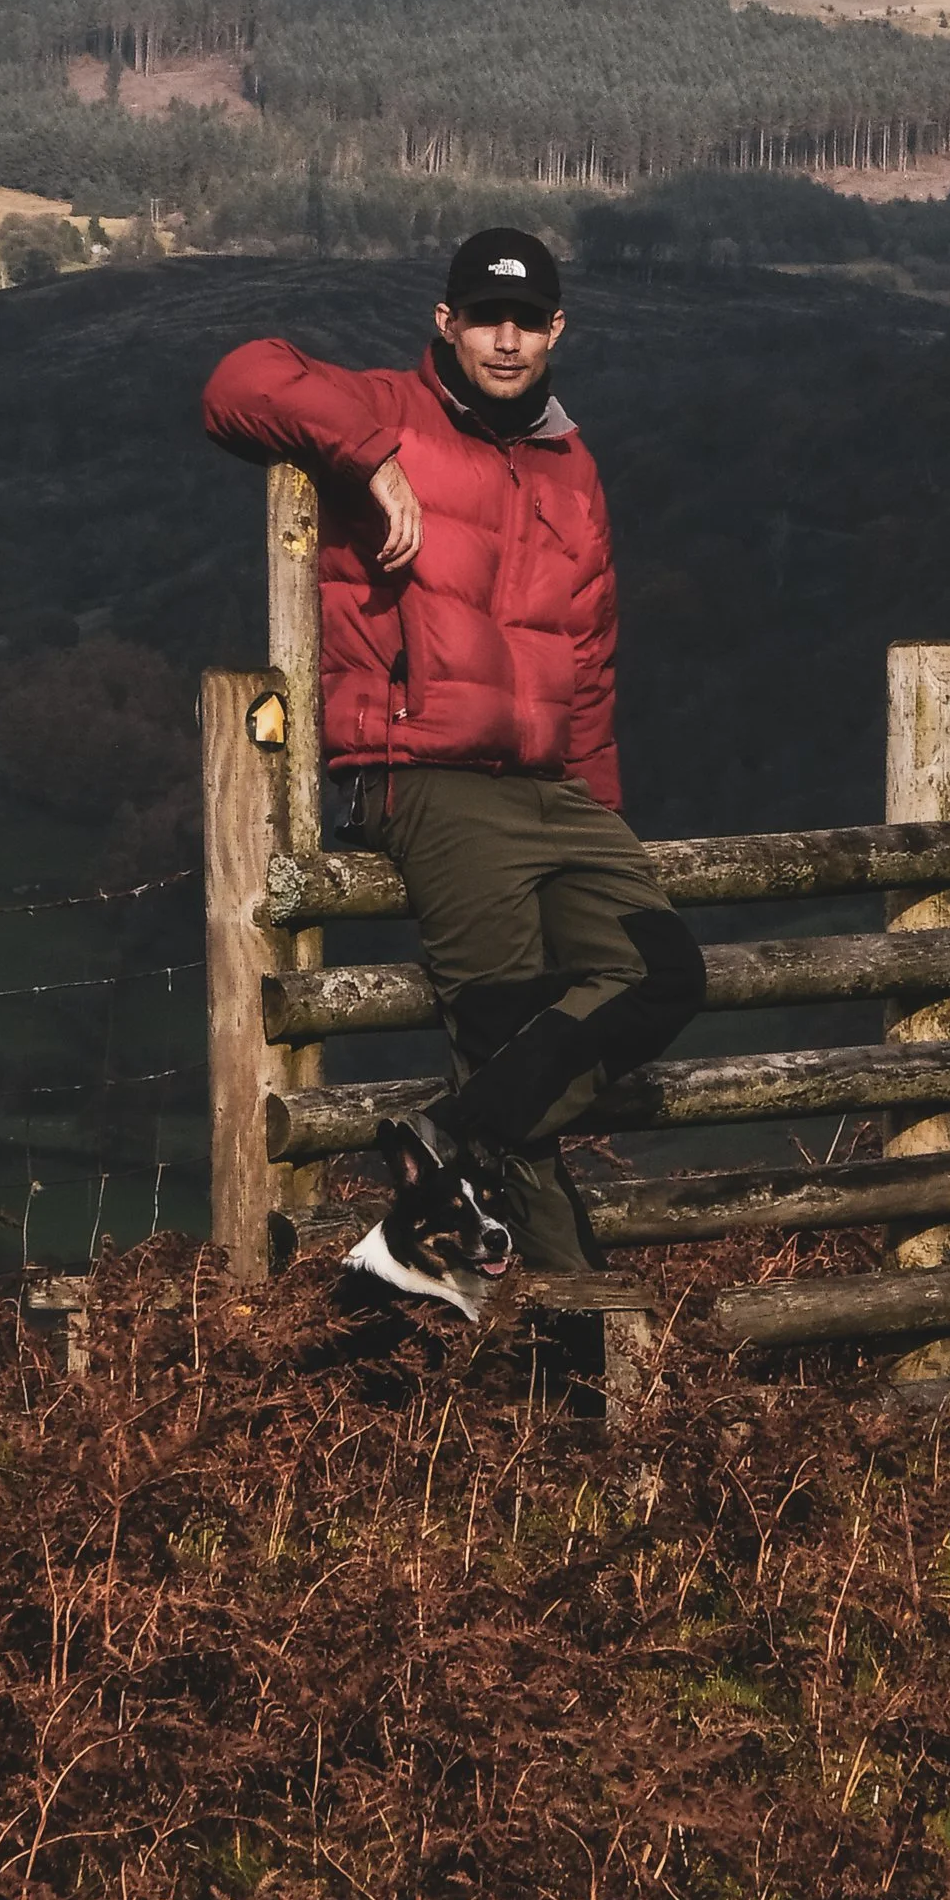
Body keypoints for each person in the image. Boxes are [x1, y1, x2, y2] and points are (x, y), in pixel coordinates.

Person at [201, 227, 706, 1323]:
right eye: (484, 316)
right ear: (446, 321)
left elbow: (593, 652)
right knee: (515, 1042)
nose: (506, 339)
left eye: (526, 319)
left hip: (555, 786)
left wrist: (599, 816)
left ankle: (454, 1136)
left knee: (666, 972)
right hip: (424, 772)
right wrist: (369, 456)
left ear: (558, 328)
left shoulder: (575, 468)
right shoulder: (383, 407)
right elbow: (236, 384)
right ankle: (576, 1353)